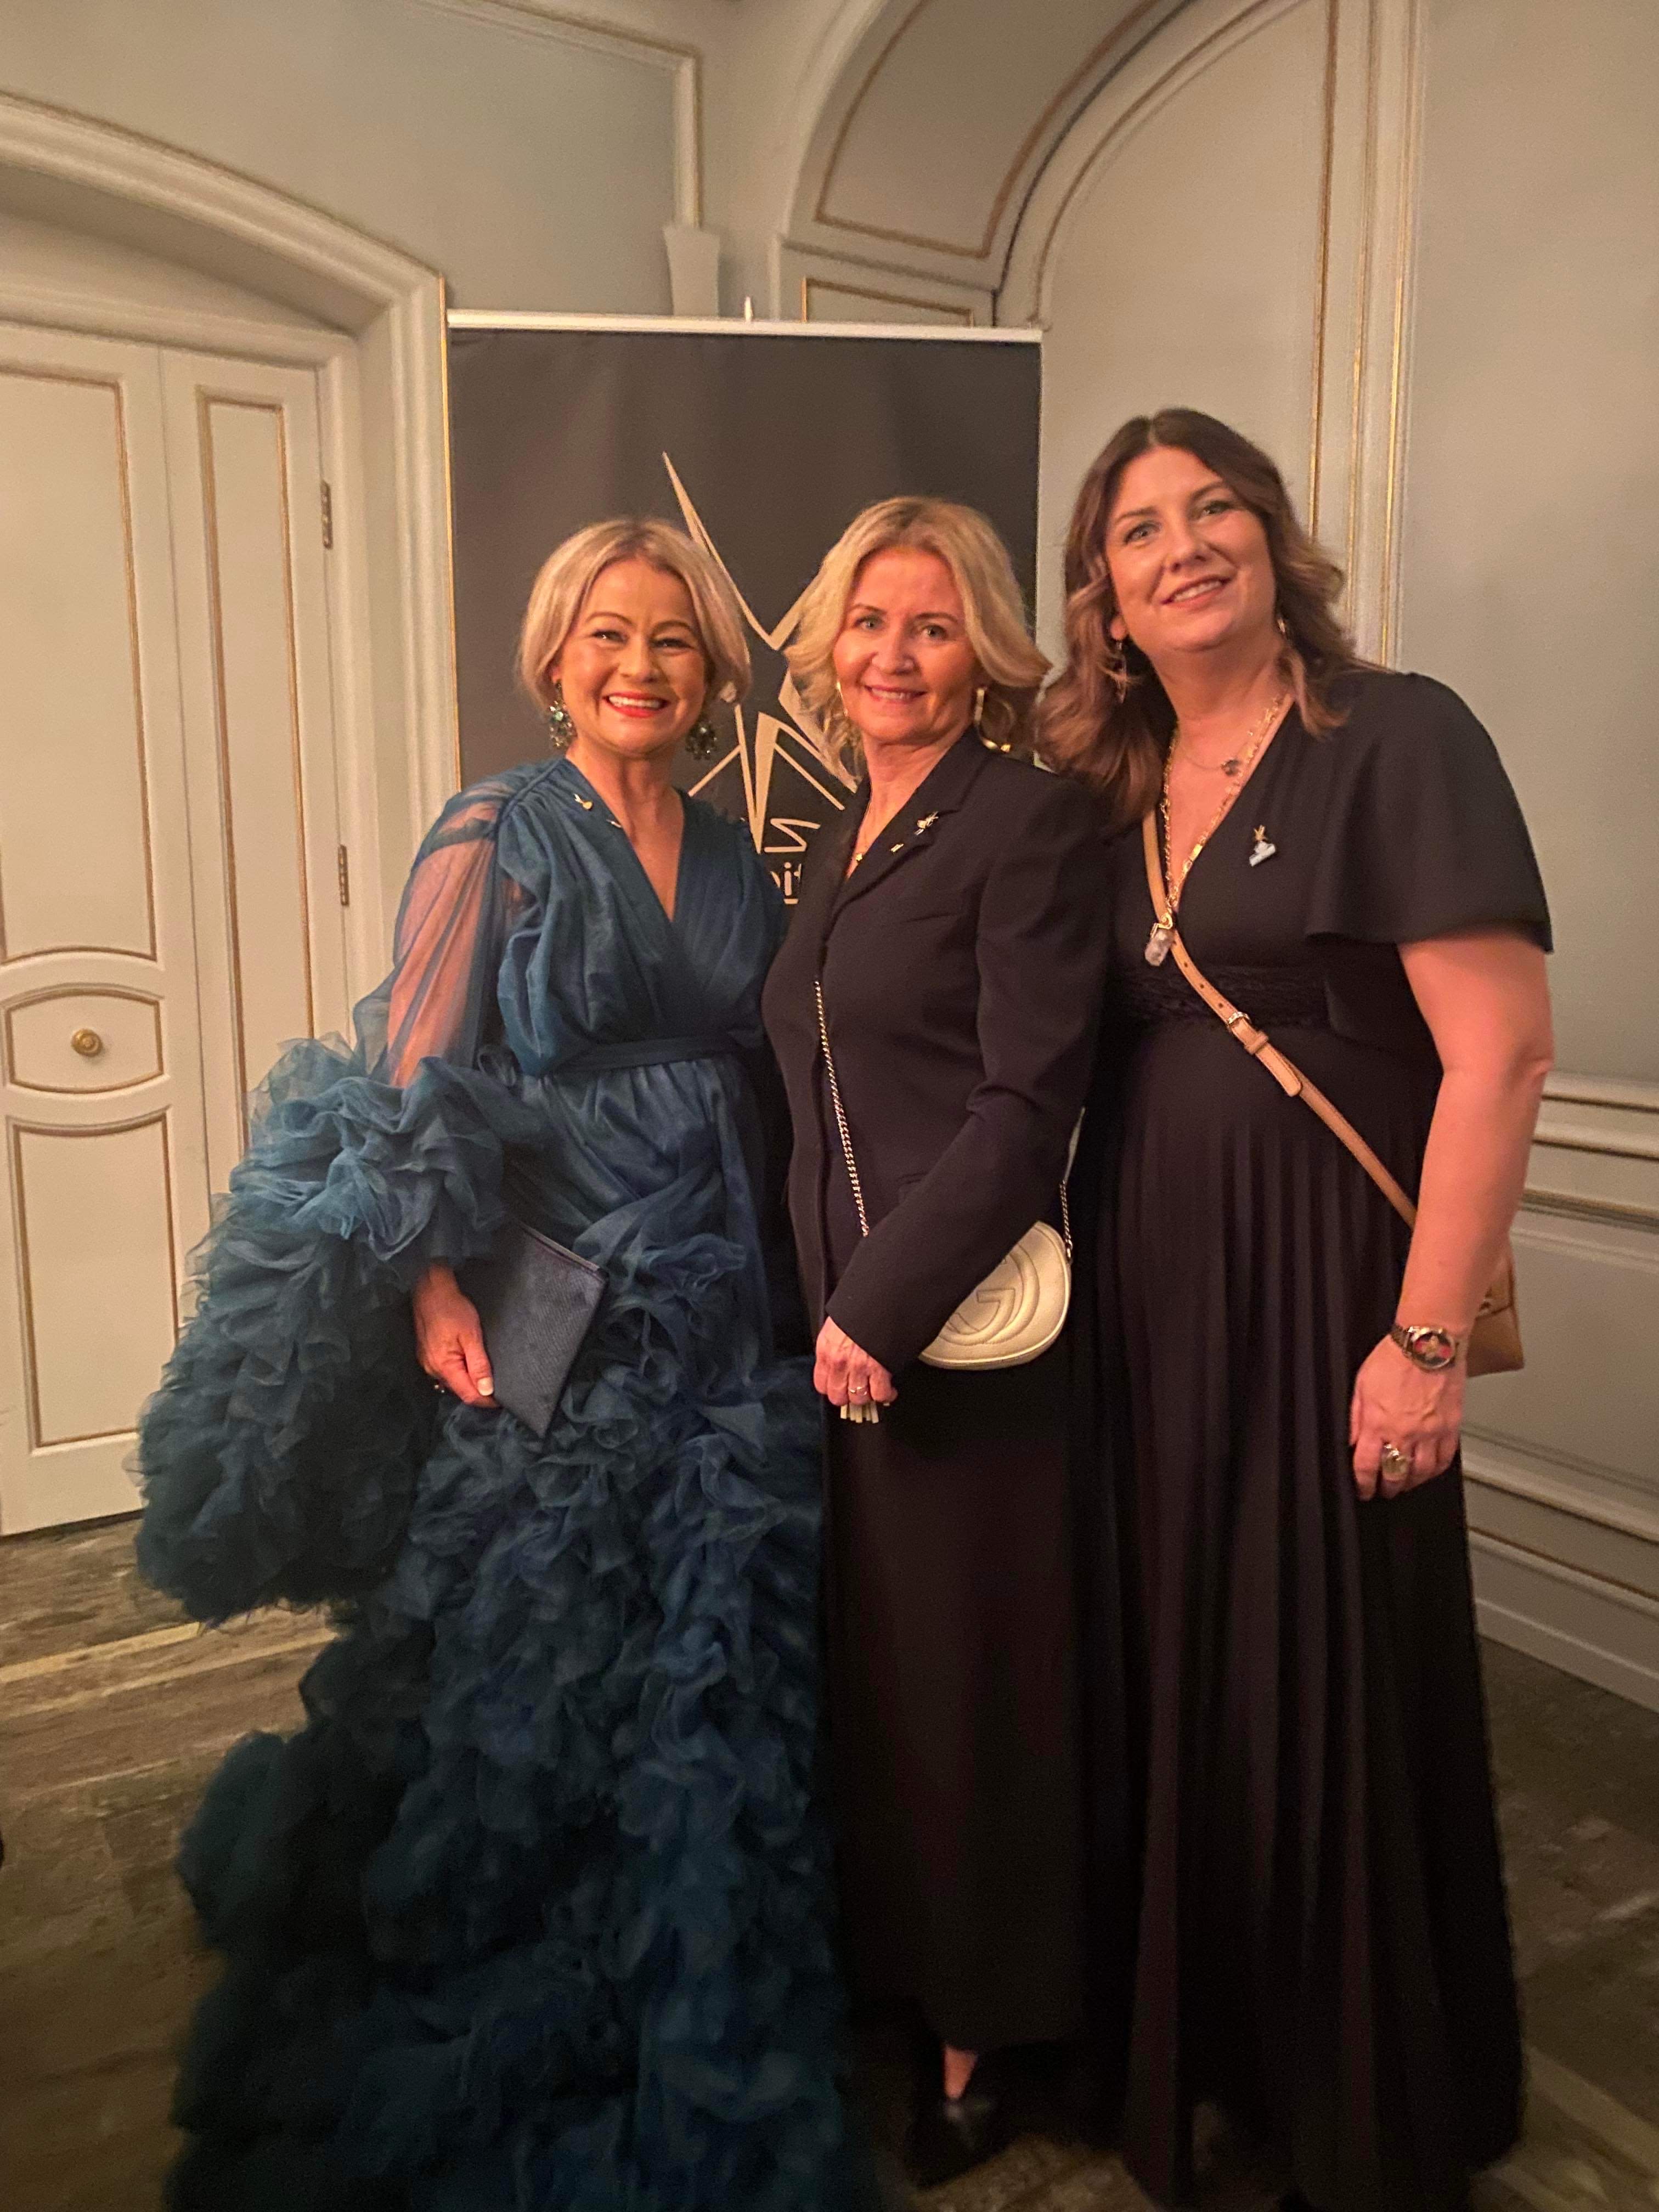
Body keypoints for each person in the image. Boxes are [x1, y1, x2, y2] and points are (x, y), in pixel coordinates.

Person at [134, 519, 857, 2210]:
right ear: (553, 660)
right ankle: (519, 1959)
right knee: (538, 1618)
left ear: (714, 671)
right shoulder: (495, 829)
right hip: (549, 1288)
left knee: (708, 1630)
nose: (640, 666)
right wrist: (431, 1291)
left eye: (672, 639)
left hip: (729, 1279)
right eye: (608, 634)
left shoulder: (742, 855)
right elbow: (416, 1075)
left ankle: (700, 1945)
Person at [1041, 409, 1553, 2212]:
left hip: (1331, 1291)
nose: (1182, 545)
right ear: (1103, 597)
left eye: (1215, 509)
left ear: (1272, 540)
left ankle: (1356, 2096)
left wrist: (1423, 1346)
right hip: (1149, 1302)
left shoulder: (1394, 736)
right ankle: (1219, 2055)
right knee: (1186, 1669)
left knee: (1327, 1669)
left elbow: (1501, 1056)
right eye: (1138, 529)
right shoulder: (1108, 793)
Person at [761, 497, 1126, 2188]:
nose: (894, 654)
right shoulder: (841, 830)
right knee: (896, 1692)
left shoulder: (1026, 822)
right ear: (828, 645)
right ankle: (909, 1981)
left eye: (931, 624)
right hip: (850, 1352)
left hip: (959, 1347)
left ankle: (988, 2043)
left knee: (976, 1699)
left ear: (983, 649)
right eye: (868, 621)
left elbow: (1025, 1100)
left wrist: (879, 1307)